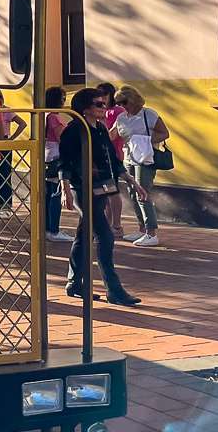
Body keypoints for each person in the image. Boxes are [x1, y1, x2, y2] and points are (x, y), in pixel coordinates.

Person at [59, 88, 148, 306]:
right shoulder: (73, 130)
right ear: (85, 108)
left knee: (84, 235)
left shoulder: (99, 128)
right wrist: (65, 189)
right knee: (106, 236)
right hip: (83, 190)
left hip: (102, 187)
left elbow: (112, 158)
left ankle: (74, 283)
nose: (103, 108)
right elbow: (65, 162)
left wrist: (132, 181)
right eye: (98, 104)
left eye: (103, 103)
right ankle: (114, 290)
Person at [110, 85, 168, 247]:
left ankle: (151, 232)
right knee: (132, 192)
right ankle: (142, 228)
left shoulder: (148, 114)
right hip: (128, 158)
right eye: (118, 103)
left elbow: (164, 133)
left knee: (142, 192)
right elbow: (112, 134)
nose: (121, 105)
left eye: (124, 102)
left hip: (145, 158)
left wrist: (144, 142)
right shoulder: (122, 117)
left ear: (133, 99)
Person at [97, 82, 129, 238]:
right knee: (106, 191)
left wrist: (102, 119)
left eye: (104, 94)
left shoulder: (117, 111)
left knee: (113, 191)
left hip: (113, 155)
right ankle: (108, 224)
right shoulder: (101, 110)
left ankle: (117, 225)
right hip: (101, 157)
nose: (101, 98)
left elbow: (112, 135)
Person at [43, 86, 74, 242]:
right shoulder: (54, 117)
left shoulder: (44, 115)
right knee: (56, 194)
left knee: (48, 194)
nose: (64, 101)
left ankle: (47, 228)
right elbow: (62, 137)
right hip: (56, 155)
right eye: (62, 98)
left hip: (46, 155)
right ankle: (53, 230)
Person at [0, 89, 27, 214]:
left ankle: (5, 205)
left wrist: (12, 138)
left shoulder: (7, 110)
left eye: (0, 96)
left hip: (4, 142)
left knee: (4, 173)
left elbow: (22, 123)